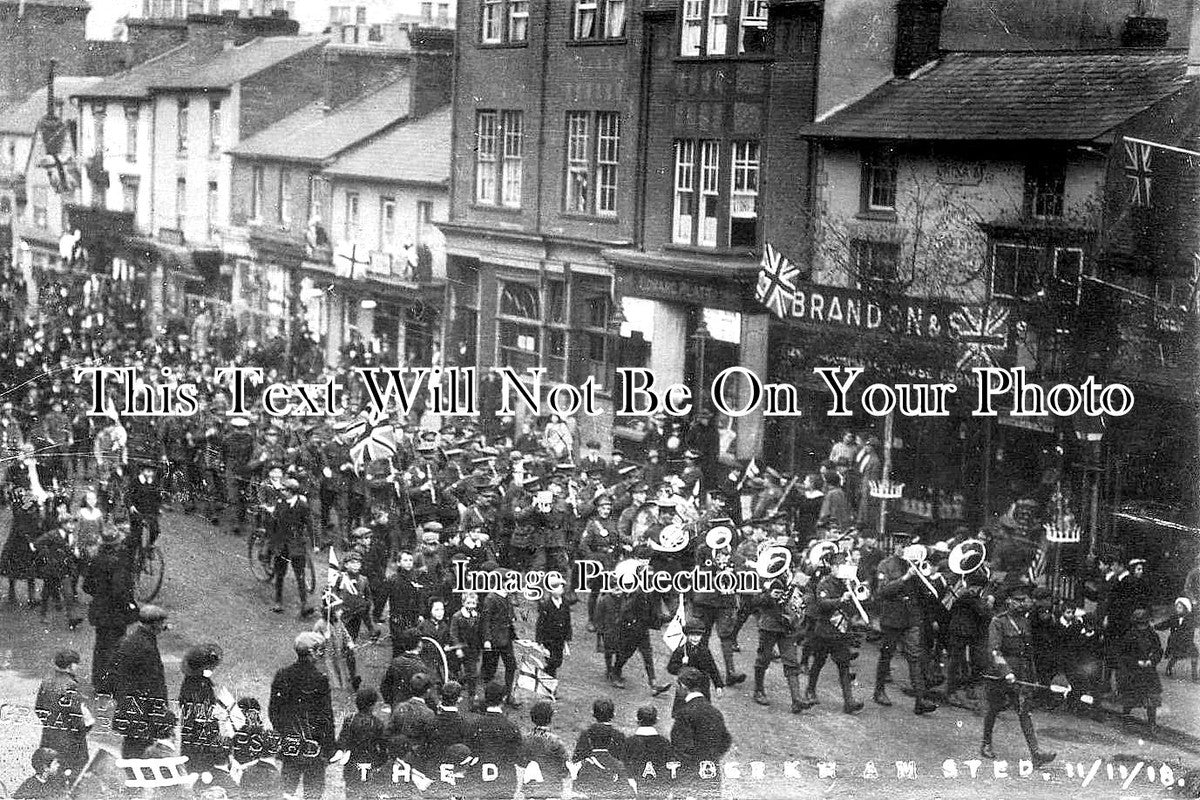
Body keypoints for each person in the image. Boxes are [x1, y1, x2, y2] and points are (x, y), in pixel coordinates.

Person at [980, 583, 1055, 765]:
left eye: (1024, 600)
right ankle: (986, 743)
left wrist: (1031, 675)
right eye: (1017, 601)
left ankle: (1036, 753)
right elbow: (995, 652)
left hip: (1020, 674)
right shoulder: (998, 622)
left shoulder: (1025, 621)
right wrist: (1006, 672)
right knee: (993, 709)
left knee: (1024, 711)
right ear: (1008, 601)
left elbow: (1028, 652)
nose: (1021, 604)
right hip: (999, 675)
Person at [269, 631, 336, 799]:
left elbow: (273, 711)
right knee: (313, 793)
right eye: (319, 650)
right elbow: (326, 716)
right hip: (314, 746)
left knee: (286, 790)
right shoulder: (320, 679)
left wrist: (284, 734)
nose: (321, 654)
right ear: (311, 652)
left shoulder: (282, 674)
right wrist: (329, 748)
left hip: (290, 743)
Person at [874, 542, 938, 715]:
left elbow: (925, 594)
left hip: (911, 618)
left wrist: (928, 577)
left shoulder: (915, 564)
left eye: (906, 546)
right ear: (895, 547)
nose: (903, 550)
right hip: (892, 617)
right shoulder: (885, 565)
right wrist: (905, 578)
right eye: (900, 546)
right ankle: (879, 691)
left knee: (914, 656)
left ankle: (920, 699)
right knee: (887, 654)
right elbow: (882, 591)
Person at [804, 550, 865, 715]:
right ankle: (810, 690)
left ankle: (849, 701)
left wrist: (855, 595)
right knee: (818, 662)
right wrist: (841, 600)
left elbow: (853, 608)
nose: (841, 569)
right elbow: (822, 603)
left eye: (844, 566)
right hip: (824, 631)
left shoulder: (848, 583)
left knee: (844, 665)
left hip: (841, 632)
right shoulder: (825, 583)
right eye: (838, 566)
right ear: (832, 567)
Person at [110, 604, 173, 758]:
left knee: (131, 743)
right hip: (143, 709)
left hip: (127, 703)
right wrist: (161, 708)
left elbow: (112, 671)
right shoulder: (147, 648)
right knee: (140, 749)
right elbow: (154, 683)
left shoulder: (128, 639)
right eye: (161, 623)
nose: (162, 627)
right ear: (154, 625)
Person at [670, 667, 732, 800]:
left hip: (688, 777)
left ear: (683, 686)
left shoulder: (684, 713)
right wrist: (711, 756)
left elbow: (681, 748)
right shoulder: (715, 712)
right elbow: (726, 740)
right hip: (710, 773)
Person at [34, 650, 91, 781]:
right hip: (69, 738)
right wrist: (84, 729)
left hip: (49, 734)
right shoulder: (71, 685)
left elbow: (38, 708)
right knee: (73, 771)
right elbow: (76, 716)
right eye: (77, 664)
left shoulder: (47, 680)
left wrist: (50, 722)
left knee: (50, 766)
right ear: (71, 666)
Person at [178, 643, 229, 774]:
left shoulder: (190, 682)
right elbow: (202, 715)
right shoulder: (200, 686)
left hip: (192, 739)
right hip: (201, 742)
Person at [467, 682, 523, 800]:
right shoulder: (511, 727)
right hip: (504, 783)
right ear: (503, 699)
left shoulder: (474, 725)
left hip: (479, 780)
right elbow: (518, 757)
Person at [270, 478, 314, 616]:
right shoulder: (280, 503)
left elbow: (310, 525)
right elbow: (274, 522)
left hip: (296, 544)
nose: (281, 492)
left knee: (300, 575)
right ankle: (278, 602)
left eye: (284, 490)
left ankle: (304, 604)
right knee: (280, 574)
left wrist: (315, 544)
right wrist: (273, 542)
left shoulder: (303, 506)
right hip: (282, 544)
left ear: (291, 492)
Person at [1118, 608, 1164, 732]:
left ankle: (1152, 723)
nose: (1142, 626)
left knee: (1152, 697)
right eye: (1140, 624)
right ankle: (1125, 718)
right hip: (1133, 672)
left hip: (1148, 671)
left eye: (1144, 623)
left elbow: (1158, 651)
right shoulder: (1129, 636)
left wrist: (1152, 660)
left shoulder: (1153, 635)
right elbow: (1123, 654)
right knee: (1130, 697)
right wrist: (1135, 662)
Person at [336, 687, 388, 794]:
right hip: (371, 762)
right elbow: (383, 749)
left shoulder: (350, 720)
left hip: (352, 763)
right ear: (373, 704)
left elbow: (341, 742)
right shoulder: (378, 723)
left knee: (351, 793)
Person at [666, 619, 724, 714]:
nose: (695, 638)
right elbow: (671, 667)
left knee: (702, 713)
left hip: (702, 686)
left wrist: (718, 685)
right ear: (687, 635)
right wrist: (682, 664)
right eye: (692, 635)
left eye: (698, 635)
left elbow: (712, 668)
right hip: (685, 686)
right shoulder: (681, 650)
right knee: (683, 712)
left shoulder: (705, 651)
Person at [480, 577, 521, 707]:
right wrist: (486, 640)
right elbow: (485, 621)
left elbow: (509, 618)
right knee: (490, 670)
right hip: (493, 640)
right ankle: (488, 699)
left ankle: (509, 695)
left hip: (506, 639)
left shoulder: (508, 597)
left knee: (511, 665)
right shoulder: (491, 599)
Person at [520, 701, 569, 800]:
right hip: (551, 788)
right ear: (550, 718)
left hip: (531, 787)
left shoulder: (525, 739)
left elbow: (521, 761)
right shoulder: (555, 741)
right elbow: (565, 766)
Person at [623, 706, 673, 800]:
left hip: (636, 792)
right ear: (656, 721)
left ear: (637, 721)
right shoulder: (664, 742)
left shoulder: (629, 742)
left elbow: (625, 769)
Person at [534, 576, 572, 678]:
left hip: (560, 639)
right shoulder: (546, 605)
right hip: (548, 639)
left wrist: (567, 640)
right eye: (557, 588)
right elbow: (540, 624)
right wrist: (540, 641)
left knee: (557, 662)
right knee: (552, 662)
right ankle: (549, 682)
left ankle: (545, 674)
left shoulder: (565, 603)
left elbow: (568, 622)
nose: (561, 590)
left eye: (561, 588)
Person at [1156, 597, 1198, 681]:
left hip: (1187, 641)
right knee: (1175, 656)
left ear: (1186, 609)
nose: (1178, 609)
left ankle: (1194, 675)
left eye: (1180, 608)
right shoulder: (1174, 618)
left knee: (1194, 655)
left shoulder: (1190, 619)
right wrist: (1156, 627)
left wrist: (1186, 637)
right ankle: (1169, 668)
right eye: (1177, 607)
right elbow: (1165, 624)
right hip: (1175, 641)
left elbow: (1190, 631)